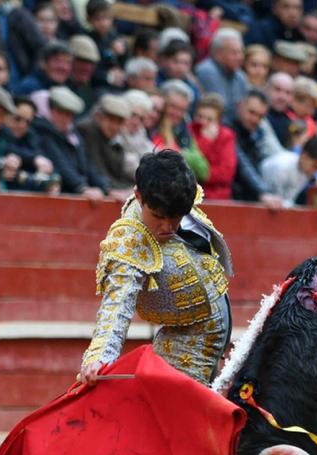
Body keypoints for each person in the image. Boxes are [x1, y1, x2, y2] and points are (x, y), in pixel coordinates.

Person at [80, 149, 234, 388]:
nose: (168, 226)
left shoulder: (174, 196)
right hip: (182, 349)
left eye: (176, 217)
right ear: (139, 196)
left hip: (215, 341)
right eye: (158, 216)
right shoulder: (130, 242)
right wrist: (99, 358)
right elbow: (117, 304)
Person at [33, 85, 109, 200]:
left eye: (69, 114)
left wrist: (106, 187)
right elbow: (60, 163)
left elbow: (86, 166)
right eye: (61, 112)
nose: (66, 118)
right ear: (51, 109)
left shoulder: (72, 134)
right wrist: (81, 187)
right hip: (61, 194)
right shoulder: (43, 132)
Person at [77, 93, 133, 194]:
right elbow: (96, 169)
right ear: (99, 116)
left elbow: (118, 174)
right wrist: (118, 189)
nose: (115, 127)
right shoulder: (88, 130)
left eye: (119, 122)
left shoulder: (113, 141)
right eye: (111, 120)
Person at [259, 135, 317, 207]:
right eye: (314, 166)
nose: (314, 172)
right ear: (304, 156)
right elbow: (273, 201)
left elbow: (288, 201)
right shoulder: (282, 166)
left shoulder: (305, 173)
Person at [190, 93, 237, 201]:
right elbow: (188, 166)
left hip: (217, 197)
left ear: (218, 121)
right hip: (190, 195)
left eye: (209, 119)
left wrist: (202, 173)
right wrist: (206, 141)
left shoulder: (226, 136)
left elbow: (226, 173)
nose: (203, 122)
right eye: (200, 116)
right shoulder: (189, 131)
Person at [195, 28, 248, 122]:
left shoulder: (240, 76)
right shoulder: (207, 71)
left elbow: (244, 109)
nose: (240, 57)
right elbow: (221, 110)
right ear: (218, 54)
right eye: (234, 53)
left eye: (241, 52)